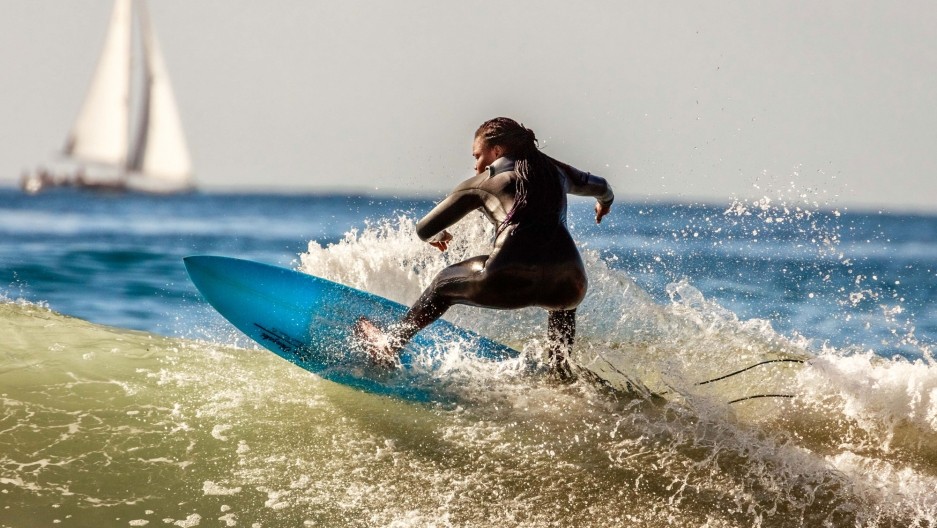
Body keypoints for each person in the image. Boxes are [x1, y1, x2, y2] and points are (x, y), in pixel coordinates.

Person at [355, 117, 614, 379]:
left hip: (506, 278)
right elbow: (603, 187)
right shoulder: (557, 172)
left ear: (497, 152)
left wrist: (438, 236)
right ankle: (560, 372)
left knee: (443, 284)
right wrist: (604, 203)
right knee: (562, 305)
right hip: (571, 283)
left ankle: (390, 343)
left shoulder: (484, 182)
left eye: (477, 155)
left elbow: (424, 229)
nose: (476, 164)